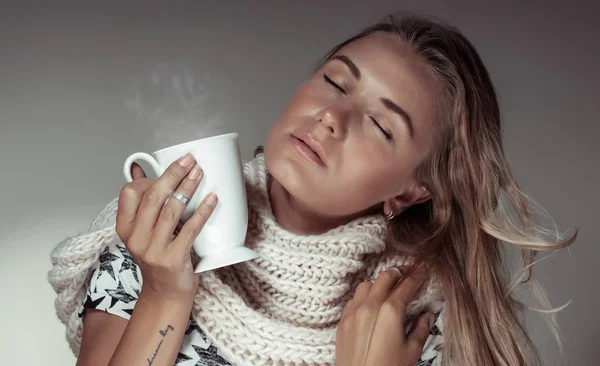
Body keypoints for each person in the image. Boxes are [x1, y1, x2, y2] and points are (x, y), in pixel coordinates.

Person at [48, 11, 576, 366]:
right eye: (335, 82)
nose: (331, 116)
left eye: (381, 125)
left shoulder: (414, 313)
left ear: (413, 191)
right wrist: (164, 290)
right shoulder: (155, 240)